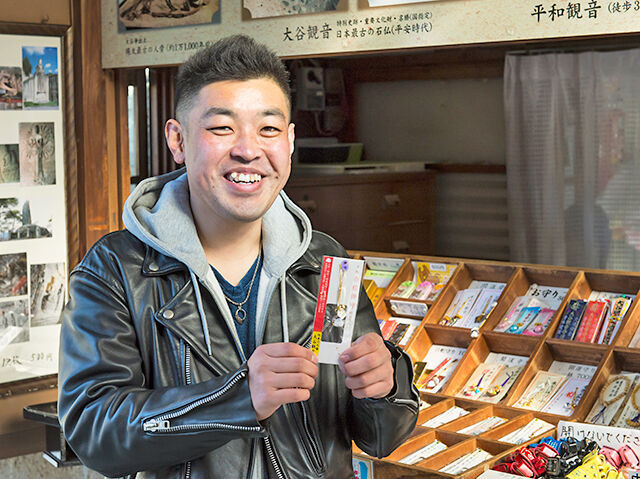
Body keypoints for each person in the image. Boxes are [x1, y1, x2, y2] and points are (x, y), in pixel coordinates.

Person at [58, 35, 418, 479]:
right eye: (222, 128)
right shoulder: (116, 269)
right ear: (178, 140)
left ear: (289, 141)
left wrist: (384, 389)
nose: (248, 149)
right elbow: (94, 432)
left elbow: (380, 438)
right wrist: (239, 398)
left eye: (268, 129)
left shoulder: (324, 261)